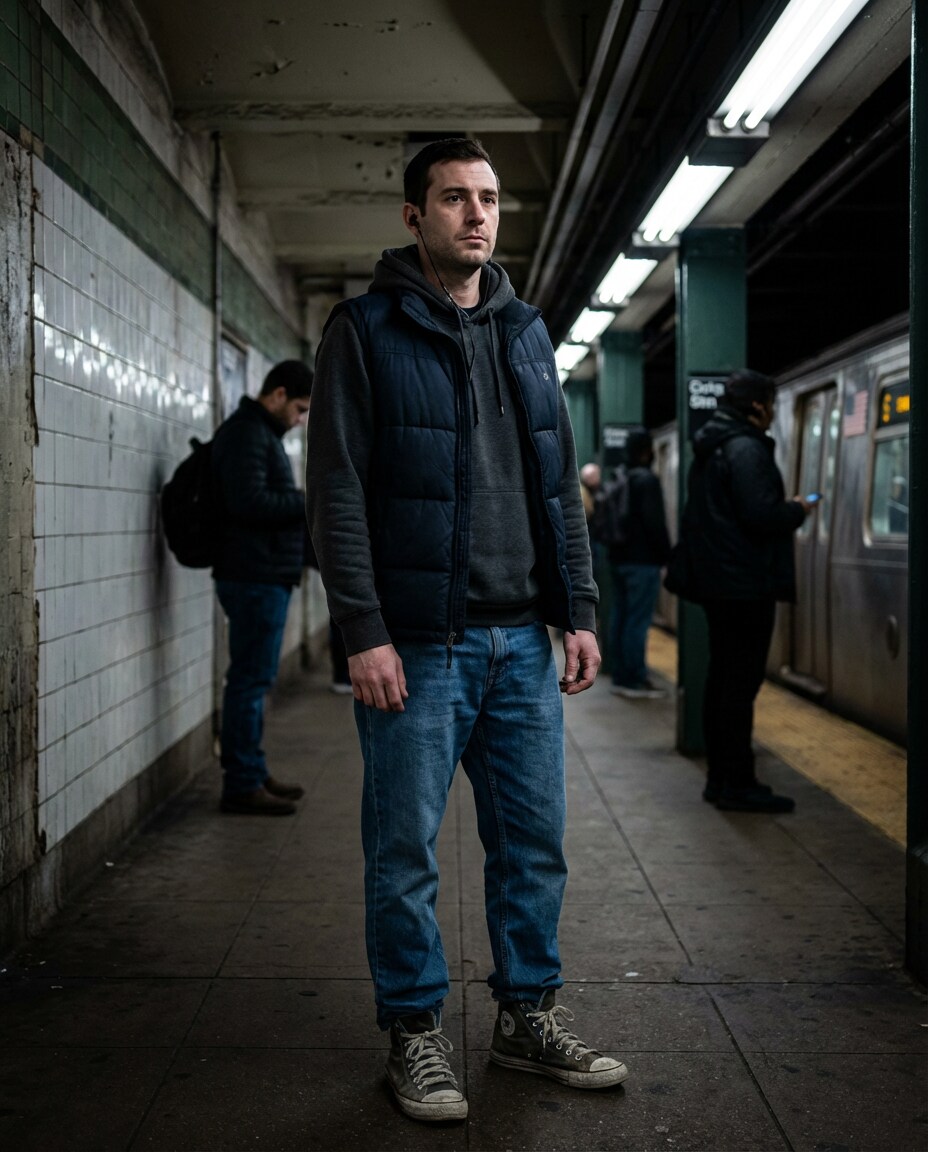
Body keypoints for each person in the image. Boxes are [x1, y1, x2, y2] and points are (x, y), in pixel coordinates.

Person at [306, 138, 628, 1123]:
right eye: (453, 199)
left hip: (519, 643)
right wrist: (362, 627)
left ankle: (526, 1015)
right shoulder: (362, 332)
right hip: (419, 643)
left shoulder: (528, 333)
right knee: (403, 849)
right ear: (414, 217)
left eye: (488, 199)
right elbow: (337, 489)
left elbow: (557, 491)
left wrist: (575, 609)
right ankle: (413, 1032)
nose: (476, 216)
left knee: (533, 844)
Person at [676, 369, 814, 813]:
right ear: (756, 406)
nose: (773, 412)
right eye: (770, 403)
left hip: (720, 584)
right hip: (745, 586)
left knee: (722, 682)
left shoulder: (712, 448)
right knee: (739, 687)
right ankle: (738, 782)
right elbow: (760, 515)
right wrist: (795, 510)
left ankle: (720, 778)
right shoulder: (746, 449)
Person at [211, 360, 313, 815]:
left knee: (254, 680)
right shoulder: (247, 434)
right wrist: (306, 501)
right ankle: (242, 782)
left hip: (260, 573)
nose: (299, 419)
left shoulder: (257, 434)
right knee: (250, 683)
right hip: (253, 576)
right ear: (277, 395)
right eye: (298, 408)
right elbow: (249, 502)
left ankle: (251, 769)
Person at [607, 428, 671, 699]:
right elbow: (654, 524)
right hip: (642, 562)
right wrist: (666, 556)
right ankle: (634, 679)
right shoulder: (647, 481)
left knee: (620, 617)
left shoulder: (620, 477)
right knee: (638, 622)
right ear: (648, 451)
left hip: (618, 559)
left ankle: (620, 675)